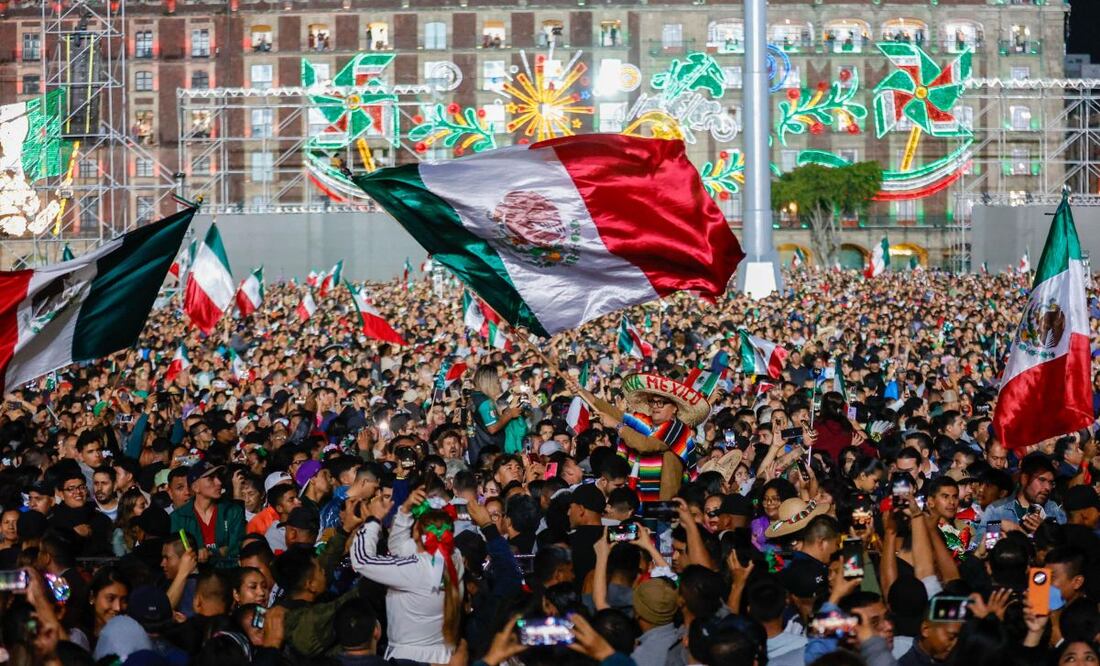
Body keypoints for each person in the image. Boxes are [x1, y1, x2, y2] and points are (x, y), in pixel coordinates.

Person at [566, 371, 710, 500]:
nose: (655, 406)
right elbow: (611, 411)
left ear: (674, 408)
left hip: (661, 503)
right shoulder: (642, 421)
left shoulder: (678, 428)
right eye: (652, 401)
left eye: (661, 403)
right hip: (632, 498)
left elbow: (646, 445)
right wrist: (581, 391)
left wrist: (617, 426)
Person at [169, 461, 245, 567]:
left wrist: (210, 553)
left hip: (229, 576)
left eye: (218, 477)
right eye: (210, 478)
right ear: (195, 487)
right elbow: (180, 554)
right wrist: (221, 550)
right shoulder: (178, 517)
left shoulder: (232, 511)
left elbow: (236, 550)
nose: (219, 482)